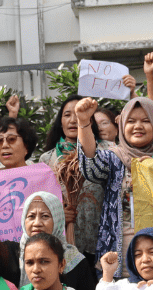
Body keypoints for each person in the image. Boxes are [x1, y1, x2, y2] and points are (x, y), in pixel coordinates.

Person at [76, 96, 153, 279]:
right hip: (120, 254)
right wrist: (83, 122)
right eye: (131, 121)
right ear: (122, 125)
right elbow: (90, 167)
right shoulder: (114, 158)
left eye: (146, 121)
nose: (137, 126)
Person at [0, 190, 93, 290]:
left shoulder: (76, 262)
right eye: (31, 216)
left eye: (45, 216)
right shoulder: (8, 253)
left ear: (59, 220)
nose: (37, 223)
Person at [41, 94, 114, 276]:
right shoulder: (46, 159)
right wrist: (58, 214)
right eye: (67, 115)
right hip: (63, 238)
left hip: (100, 236)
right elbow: (42, 201)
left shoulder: (107, 150)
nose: (73, 120)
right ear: (60, 121)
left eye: (77, 113)